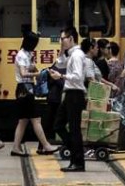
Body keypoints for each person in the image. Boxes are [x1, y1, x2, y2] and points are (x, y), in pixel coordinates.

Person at [10, 31, 57, 156]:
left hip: (26, 89)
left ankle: (15, 147)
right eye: (35, 43)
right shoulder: (21, 55)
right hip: (25, 89)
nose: (36, 46)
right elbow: (24, 73)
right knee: (36, 119)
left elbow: (32, 68)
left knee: (23, 120)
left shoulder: (28, 54)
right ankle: (46, 146)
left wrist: (40, 70)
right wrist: (38, 74)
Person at [51, 26, 87, 173]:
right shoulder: (71, 54)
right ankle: (76, 153)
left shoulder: (77, 55)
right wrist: (61, 49)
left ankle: (77, 161)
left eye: (63, 38)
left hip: (75, 94)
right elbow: (60, 63)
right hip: (70, 94)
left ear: (71, 38)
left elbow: (78, 77)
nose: (61, 41)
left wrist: (61, 76)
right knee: (58, 125)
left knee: (74, 129)